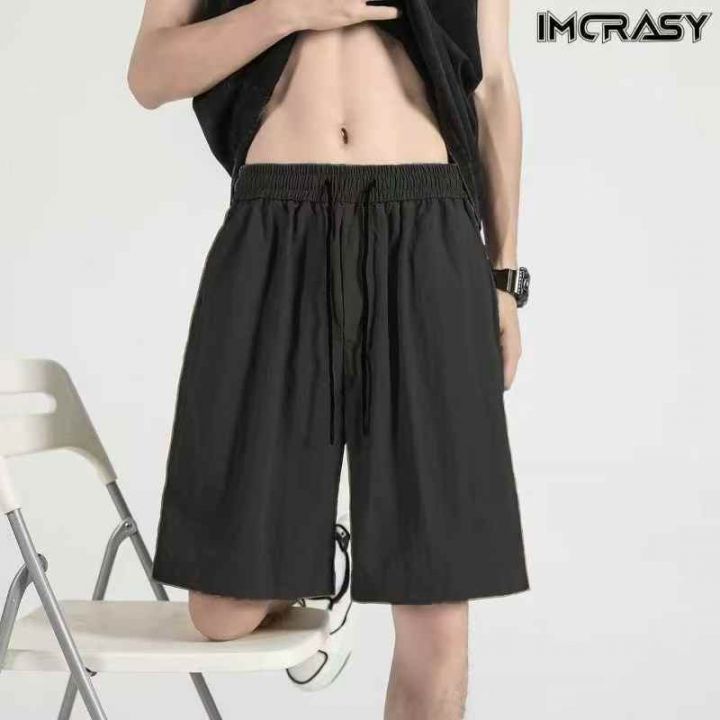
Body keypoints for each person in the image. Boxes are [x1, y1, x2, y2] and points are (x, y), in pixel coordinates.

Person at [128, 0, 530, 716]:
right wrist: (285, 12)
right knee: (221, 613)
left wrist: (504, 276)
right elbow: (150, 73)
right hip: (273, 224)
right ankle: (316, 548)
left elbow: (493, 84)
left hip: (427, 220)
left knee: (436, 609)